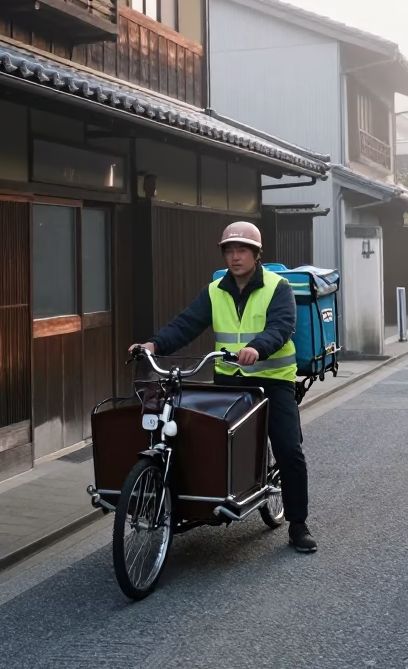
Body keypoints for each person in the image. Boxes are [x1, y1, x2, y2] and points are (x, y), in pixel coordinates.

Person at [130, 221, 317, 553]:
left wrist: (259, 347)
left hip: (272, 382)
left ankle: (298, 523)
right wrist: (154, 346)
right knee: (207, 439)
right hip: (230, 381)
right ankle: (211, 500)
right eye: (229, 250)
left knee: (288, 448)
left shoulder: (278, 287)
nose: (235, 256)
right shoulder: (215, 289)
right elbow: (186, 323)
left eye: (242, 250)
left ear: (257, 254)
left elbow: (282, 326)